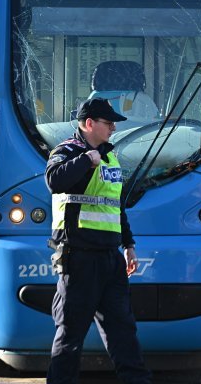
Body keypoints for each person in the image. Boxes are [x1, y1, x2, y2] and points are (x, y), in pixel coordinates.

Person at [44, 97, 151, 384]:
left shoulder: (109, 155)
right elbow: (54, 180)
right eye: (108, 122)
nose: (114, 127)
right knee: (70, 336)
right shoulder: (67, 151)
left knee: (123, 332)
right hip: (79, 258)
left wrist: (128, 245)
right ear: (89, 123)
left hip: (110, 258)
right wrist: (84, 160)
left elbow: (114, 206)